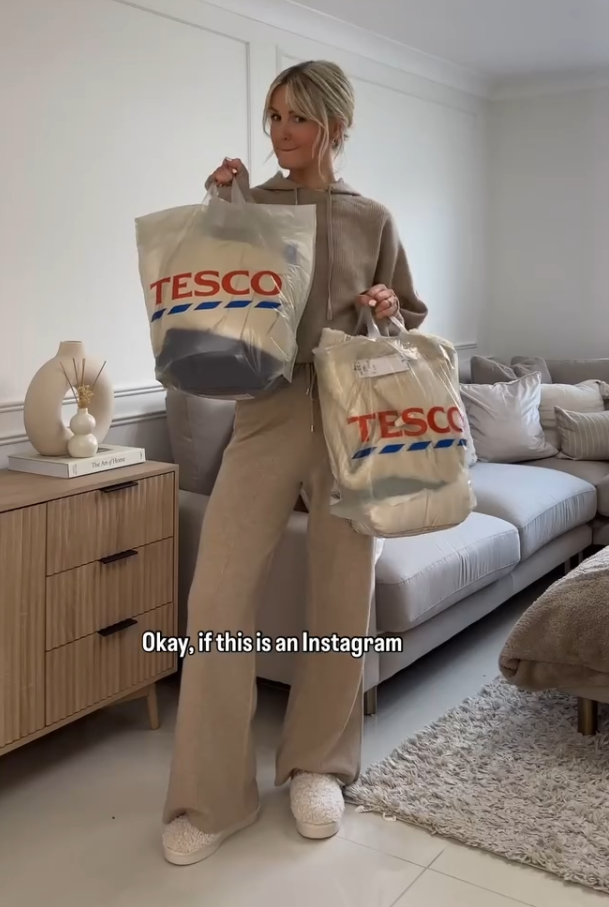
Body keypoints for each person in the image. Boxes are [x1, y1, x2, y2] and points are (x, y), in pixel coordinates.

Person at [162, 60, 428, 865]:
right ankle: (211, 797)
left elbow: (409, 318)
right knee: (216, 599)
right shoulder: (252, 204)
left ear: (336, 127)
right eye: (274, 116)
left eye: (298, 118)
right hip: (266, 414)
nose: (281, 133)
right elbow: (210, 301)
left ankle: (319, 765)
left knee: (343, 598)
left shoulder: (374, 217)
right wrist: (220, 209)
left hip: (352, 416)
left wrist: (387, 310)